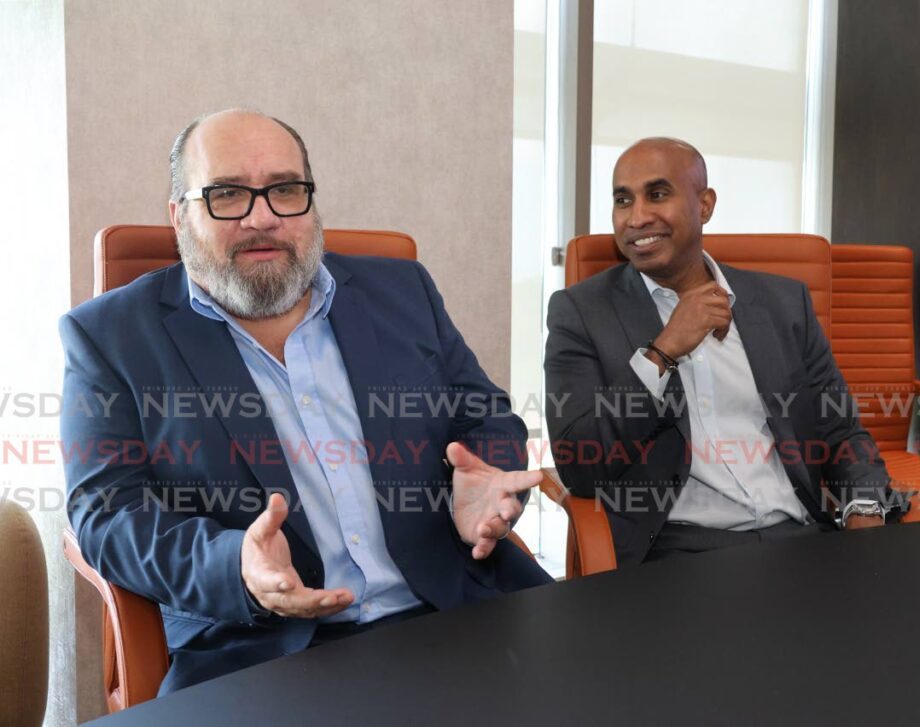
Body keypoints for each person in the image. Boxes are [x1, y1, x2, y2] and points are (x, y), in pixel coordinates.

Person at [60, 109, 552, 694]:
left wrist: (485, 473)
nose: (261, 217)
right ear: (178, 216)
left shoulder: (403, 290)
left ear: (310, 202)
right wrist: (235, 565)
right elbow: (105, 512)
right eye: (226, 195)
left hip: (460, 606)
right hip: (265, 653)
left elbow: (485, 412)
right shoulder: (111, 336)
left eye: (285, 190)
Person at [544, 137, 907, 566]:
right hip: (679, 551)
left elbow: (840, 431)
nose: (637, 217)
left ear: (705, 205)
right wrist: (662, 353)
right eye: (623, 200)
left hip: (801, 537)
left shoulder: (782, 304)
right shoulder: (581, 313)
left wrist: (864, 510)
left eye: (657, 194)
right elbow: (580, 464)